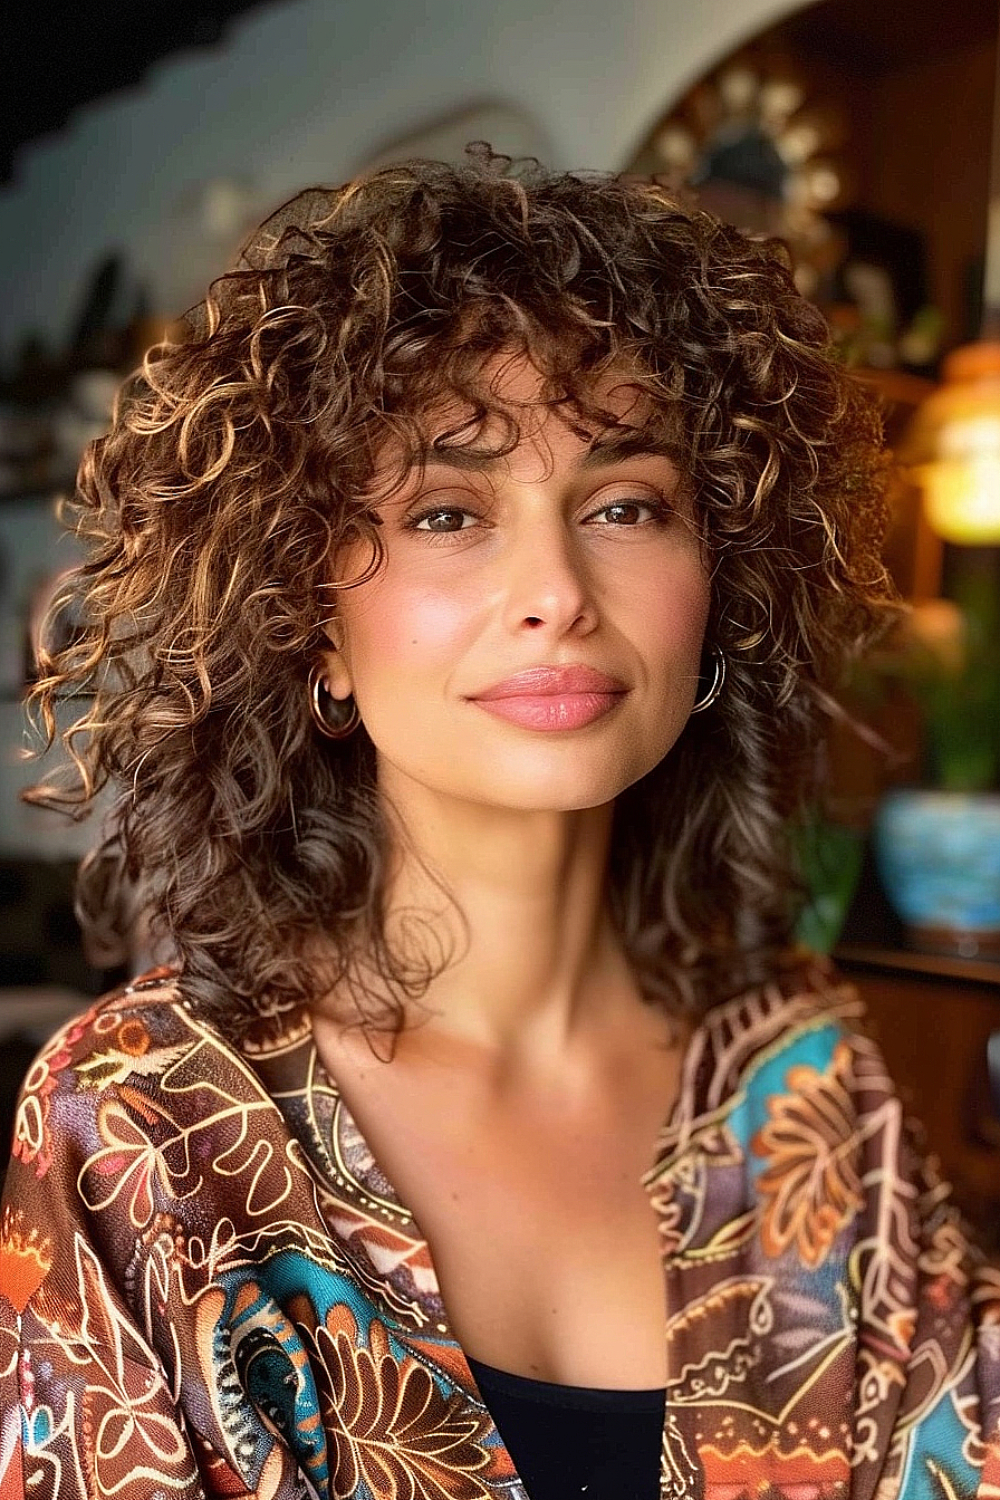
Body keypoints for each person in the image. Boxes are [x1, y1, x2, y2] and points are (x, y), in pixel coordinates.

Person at [1, 148, 997, 1500]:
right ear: (312, 625)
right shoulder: (142, 1126)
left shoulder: (804, 1082)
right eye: (448, 511)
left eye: (626, 505)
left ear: (722, 585)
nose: (556, 591)